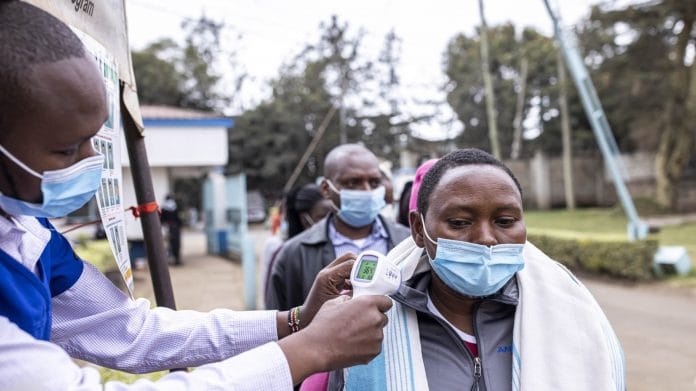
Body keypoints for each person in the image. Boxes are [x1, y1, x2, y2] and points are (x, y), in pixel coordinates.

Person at [0, 2, 392, 389]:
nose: (90, 162)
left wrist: (296, 321)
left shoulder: (28, 235)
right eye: (67, 150)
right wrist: (309, 349)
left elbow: (133, 330)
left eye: (94, 142)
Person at [330, 148, 625, 390]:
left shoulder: (571, 315)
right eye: (459, 223)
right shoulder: (368, 327)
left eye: (505, 221)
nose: (486, 237)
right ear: (419, 230)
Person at [265, 144, 410, 311]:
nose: (366, 190)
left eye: (374, 182)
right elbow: (279, 325)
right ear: (326, 189)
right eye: (353, 182)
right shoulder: (294, 254)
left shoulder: (408, 243)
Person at [160, 194, 182, 265]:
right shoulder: (175, 207)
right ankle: (177, 259)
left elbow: (161, 219)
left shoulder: (163, 208)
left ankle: (168, 260)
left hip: (167, 228)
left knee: (168, 245)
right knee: (176, 244)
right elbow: (178, 219)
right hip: (175, 228)